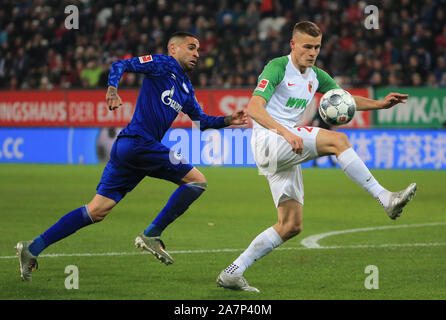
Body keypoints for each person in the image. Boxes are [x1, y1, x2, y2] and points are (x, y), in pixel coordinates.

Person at [16, 31, 248, 281]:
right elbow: (121, 64)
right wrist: (112, 88)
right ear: (173, 49)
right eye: (191, 48)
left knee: (97, 210)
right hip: (139, 143)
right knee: (196, 181)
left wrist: (227, 120)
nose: (197, 54)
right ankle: (152, 233)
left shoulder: (185, 88)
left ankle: (32, 248)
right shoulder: (162, 63)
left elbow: (200, 121)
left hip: (131, 149)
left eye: (199, 50)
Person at [216, 21, 417, 292]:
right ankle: (385, 198)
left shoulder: (315, 75)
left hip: (285, 148)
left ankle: (233, 272)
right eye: (307, 46)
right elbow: (253, 108)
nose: (312, 52)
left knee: (290, 225)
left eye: (317, 47)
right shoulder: (277, 67)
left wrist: (380, 104)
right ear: (293, 45)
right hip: (270, 141)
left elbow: (344, 98)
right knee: (338, 140)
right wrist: (286, 133)